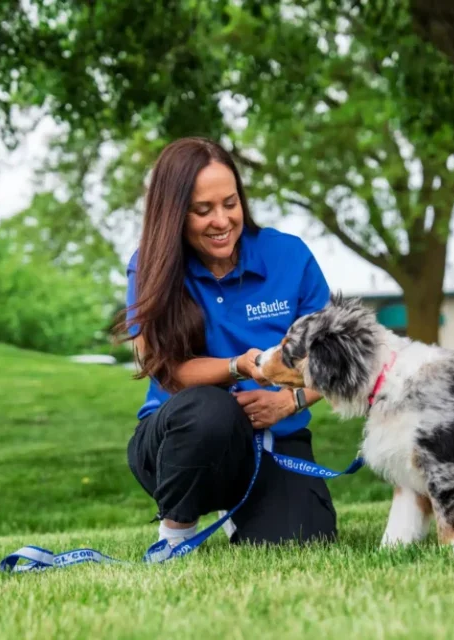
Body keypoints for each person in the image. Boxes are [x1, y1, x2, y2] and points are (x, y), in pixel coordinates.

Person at [119, 136, 337, 553]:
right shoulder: (149, 265)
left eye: (230, 203)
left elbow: (335, 359)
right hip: (177, 442)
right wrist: (239, 365)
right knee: (210, 409)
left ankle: (240, 510)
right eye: (203, 210)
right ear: (174, 213)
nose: (221, 221)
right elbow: (167, 369)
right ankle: (177, 532)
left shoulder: (289, 255)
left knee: (303, 543)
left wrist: (288, 402)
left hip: (274, 439)